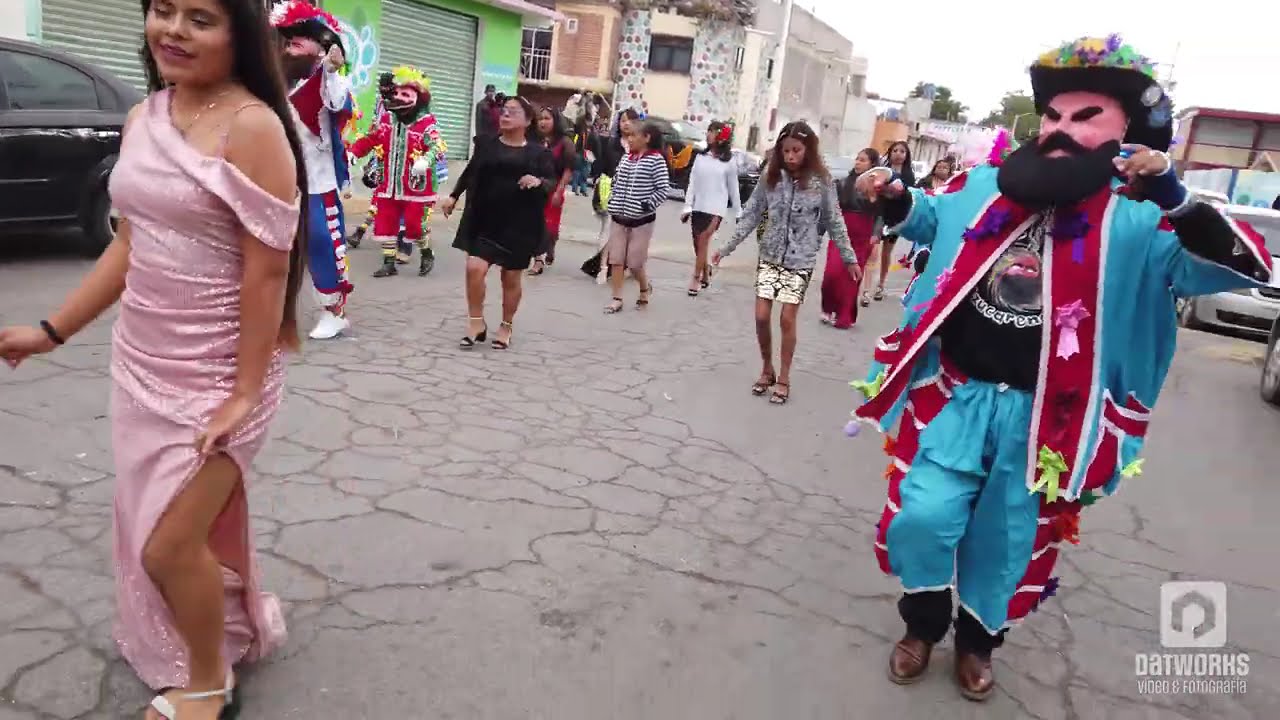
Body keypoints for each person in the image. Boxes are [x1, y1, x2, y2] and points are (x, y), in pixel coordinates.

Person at [848, 35, 1272, 701]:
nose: (1061, 130)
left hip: (1048, 421)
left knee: (1005, 540)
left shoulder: (1143, 218)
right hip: (954, 397)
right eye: (1053, 116)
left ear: (1126, 132)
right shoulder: (987, 186)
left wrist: (1175, 198)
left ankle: (977, 642)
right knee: (923, 518)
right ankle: (922, 623)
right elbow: (930, 220)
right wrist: (896, 196)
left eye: (1085, 117)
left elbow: (1240, 266)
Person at [0, 1, 310, 717]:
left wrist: (242, 391)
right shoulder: (146, 116)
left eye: (199, 18)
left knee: (168, 546)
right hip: (143, 361)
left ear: (241, 33)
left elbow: (267, 275)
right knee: (155, 528)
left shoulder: (255, 127)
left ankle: (206, 681)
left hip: (221, 376)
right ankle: (203, 634)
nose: (172, 30)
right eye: (162, 10)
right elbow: (129, 244)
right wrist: (51, 330)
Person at [712, 121, 861, 404]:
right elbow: (752, 214)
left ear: (808, 150)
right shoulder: (771, 175)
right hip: (769, 255)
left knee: (787, 319)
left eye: (797, 150)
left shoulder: (822, 181)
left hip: (800, 260)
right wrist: (725, 248)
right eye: (786, 151)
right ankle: (766, 368)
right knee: (761, 316)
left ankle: (784, 377)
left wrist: (849, 258)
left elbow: (834, 221)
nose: (791, 156)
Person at [441, 95, 555, 350]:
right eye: (504, 111)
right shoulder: (487, 145)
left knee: (510, 279)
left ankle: (506, 325)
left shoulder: (538, 153)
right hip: (485, 220)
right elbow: (471, 172)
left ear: (527, 121)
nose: (505, 115)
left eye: (513, 112)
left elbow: (550, 181)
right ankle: (476, 323)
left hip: (519, 225)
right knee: (474, 268)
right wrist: (453, 196)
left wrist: (537, 182)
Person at [272, 0, 355, 340]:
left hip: (318, 182)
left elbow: (336, 104)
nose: (292, 42)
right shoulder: (274, 80)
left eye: (302, 37)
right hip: (275, 179)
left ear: (323, 48)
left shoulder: (326, 80)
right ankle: (271, 310)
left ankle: (334, 312)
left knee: (321, 242)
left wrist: (332, 71)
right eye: (289, 36)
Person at [348, 66, 448, 278]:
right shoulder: (385, 121)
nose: (399, 98)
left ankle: (427, 252)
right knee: (385, 223)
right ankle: (388, 262)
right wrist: (354, 153)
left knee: (413, 226)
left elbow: (437, 146)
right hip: (388, 184)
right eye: (397, 93)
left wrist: (425, 159)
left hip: (416, 187)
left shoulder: (426, 123)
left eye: (406, 94)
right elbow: (369, 140)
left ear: (419, 98)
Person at [602, 121, 669, 312]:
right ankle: (617, 298)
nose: (629, 139)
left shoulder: (656, 160)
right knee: (616, 259)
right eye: (628, 136)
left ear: (646, 138)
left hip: (641, 222)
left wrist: (647, 204)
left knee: (634, 262)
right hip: (618, 218)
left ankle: (644, 288)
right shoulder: (626, 158)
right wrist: (612, 198)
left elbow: (663, 189)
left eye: (633, 136)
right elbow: (617, 181)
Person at [821, 147, 882, 328]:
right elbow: (830, 209)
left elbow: (880, 214)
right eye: (857, 159)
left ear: (872, 164)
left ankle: (844, 315)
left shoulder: (878, 187)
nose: (858, 162)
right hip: (841, 232)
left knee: (851, 277)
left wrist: (876, 233)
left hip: (863, 235)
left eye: (863, 160)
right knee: (831, 274)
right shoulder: (842, 183)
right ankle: (828, 307)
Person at [680, 121, 740, 296]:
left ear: (722, 137)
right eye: (708, 131)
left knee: (704, 240)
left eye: (713, 132)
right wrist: (687, 206)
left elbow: (733, 189)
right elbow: (692, 183)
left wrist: (738, 211)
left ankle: (695, 278)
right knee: (698, 246)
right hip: (699, 206)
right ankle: (706, 273)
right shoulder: (700, 157)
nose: (708, 134)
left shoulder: (729, 162)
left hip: (716, 209)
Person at [581, 107, 641, 280]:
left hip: (633, 195)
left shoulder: (640, 145)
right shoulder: (610, 144)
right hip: (611, 191)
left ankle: (622, 265)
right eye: (623, 120)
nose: (626, 124)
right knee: (608, 228)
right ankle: (602, 267)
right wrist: (599, 179)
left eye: (630, 120)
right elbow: (600, 165)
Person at [863, 140, 915, 306]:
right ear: (890, 153)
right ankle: (866, 290)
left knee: (887, 253)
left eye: (902, 151)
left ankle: (881, 285)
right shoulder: (881, 171)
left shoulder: (908, 175)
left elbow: (908, 196)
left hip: (896, 218)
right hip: (879, 214)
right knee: (873, 251)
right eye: (895, 150)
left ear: (906, 156)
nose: (898, 154)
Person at [528, 105, 575, 275]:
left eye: (547, 118)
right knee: (535, 224)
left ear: (556, 120)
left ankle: (550, 245)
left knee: (550, 226)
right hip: (536, 187)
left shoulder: (564, 142)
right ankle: (538, 260)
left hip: (555, 187)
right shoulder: (534, 140)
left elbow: (569, 169)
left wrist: (559, 191)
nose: (543, 122)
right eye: (540, 118)